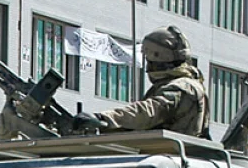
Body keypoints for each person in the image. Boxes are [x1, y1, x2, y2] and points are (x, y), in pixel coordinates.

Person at [73, 26, 210, 139]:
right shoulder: (184, 83)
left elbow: (147, 112)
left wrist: (104, 118)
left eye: (148, 59)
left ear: (157, 56)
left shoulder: (182, 86)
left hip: (167, 156)